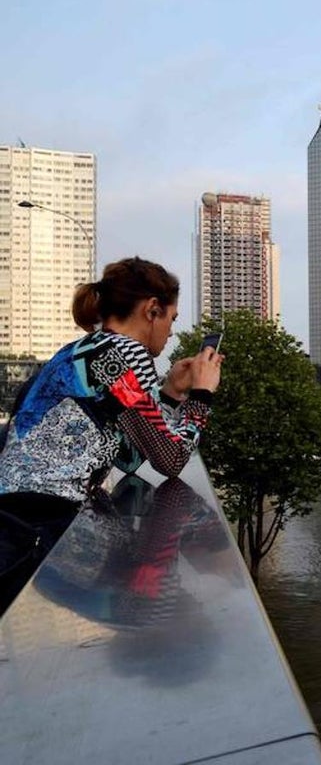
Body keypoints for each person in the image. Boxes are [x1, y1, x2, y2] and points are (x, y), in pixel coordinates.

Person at [0, 257, 221, 615]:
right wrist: (202, 395)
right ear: (152, 310)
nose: (171, 332)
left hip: (22, 521)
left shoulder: (88, 349)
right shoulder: (125, 354)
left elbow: (129, 458)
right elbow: (171, 459)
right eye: (171, 319)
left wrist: (170, 392)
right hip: (42, 525)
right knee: (141, 592)